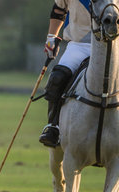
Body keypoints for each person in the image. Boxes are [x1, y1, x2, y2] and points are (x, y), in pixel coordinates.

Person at [39, 0, 92, 147]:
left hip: (111, 46)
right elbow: (58, 10)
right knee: (57, 77)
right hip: (79, 45)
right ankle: (53, 126)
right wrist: (52, 37)